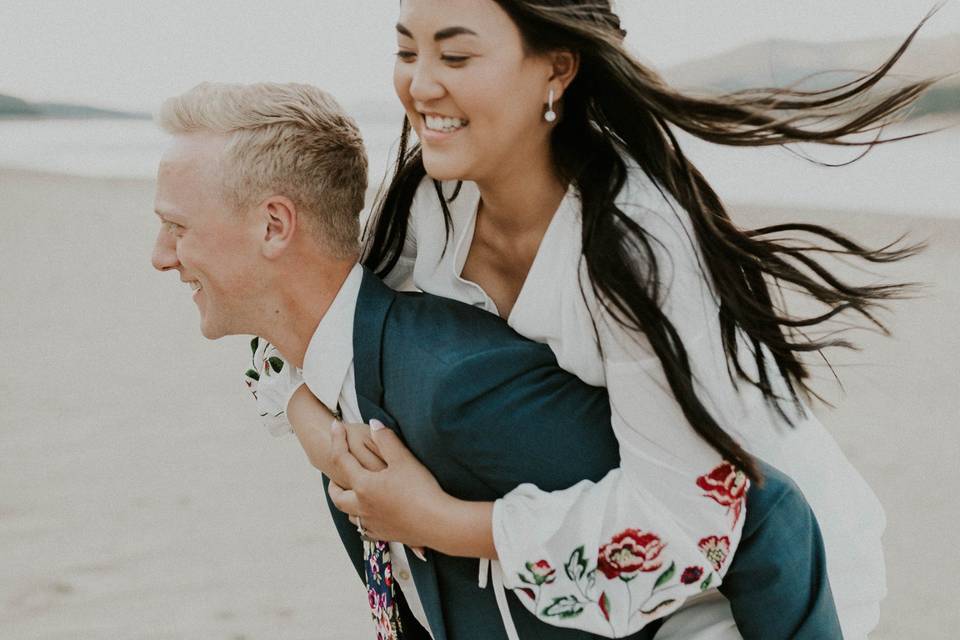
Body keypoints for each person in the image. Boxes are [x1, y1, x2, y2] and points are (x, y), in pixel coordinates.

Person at [256, 1, 938, 638]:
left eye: (455, 58)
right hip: (585, 580)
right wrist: (317, 430)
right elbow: (316, 320)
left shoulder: (639, 249)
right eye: (406, 51)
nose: (421, 85)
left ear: (556, 67)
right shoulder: (426, 206)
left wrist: (440, 521)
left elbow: (687, 523)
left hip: (747, 587)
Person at [152, 81, 841, 640]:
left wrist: (441, 522)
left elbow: (758, 505)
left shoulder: (459, 390)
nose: (160, 255)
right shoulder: (333, 415)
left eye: (177, 228)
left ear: (275, 226)